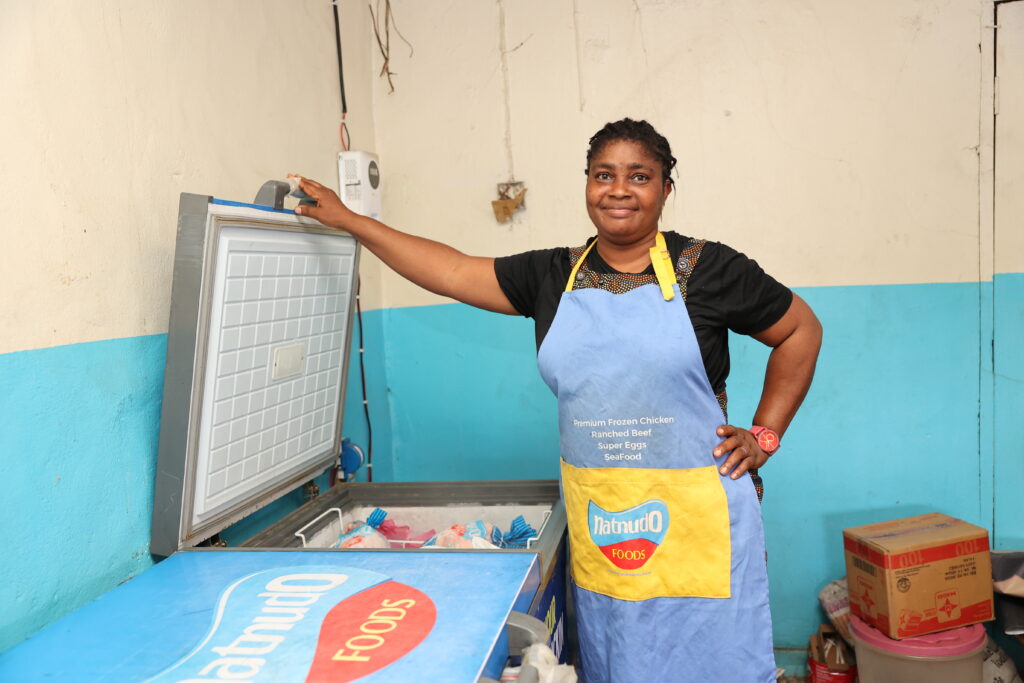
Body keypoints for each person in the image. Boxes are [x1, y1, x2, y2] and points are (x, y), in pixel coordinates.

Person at [293, 117, 822, 683]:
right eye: (604, 175)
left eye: (639, 176)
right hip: (606, 520)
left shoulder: (710, 268)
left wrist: (765, 435)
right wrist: (352, 222)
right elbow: (448, 270)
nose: (619, 189)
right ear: (587, 184)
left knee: (710, 661)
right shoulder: (552, 275)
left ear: (666, 188)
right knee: (621, 660)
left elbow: (800, 331)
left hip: (699, 520)